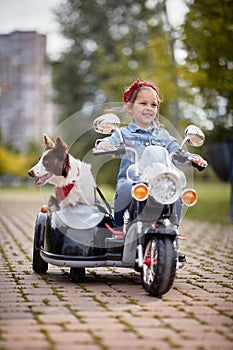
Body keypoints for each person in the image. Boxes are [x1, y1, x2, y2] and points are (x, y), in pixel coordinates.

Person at [96, 79, 208, 228]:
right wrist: (105, 145)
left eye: (153, 104)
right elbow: (111, 140)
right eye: (143, 103)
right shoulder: (123, 133)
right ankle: (118, 228)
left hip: (160, 184)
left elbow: (176, 151)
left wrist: (192, 158)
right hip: (134, 182)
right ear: (130, 108)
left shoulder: (163, 135)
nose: (149, 108)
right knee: (124, 188)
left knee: (178, 193)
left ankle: (173, 229)